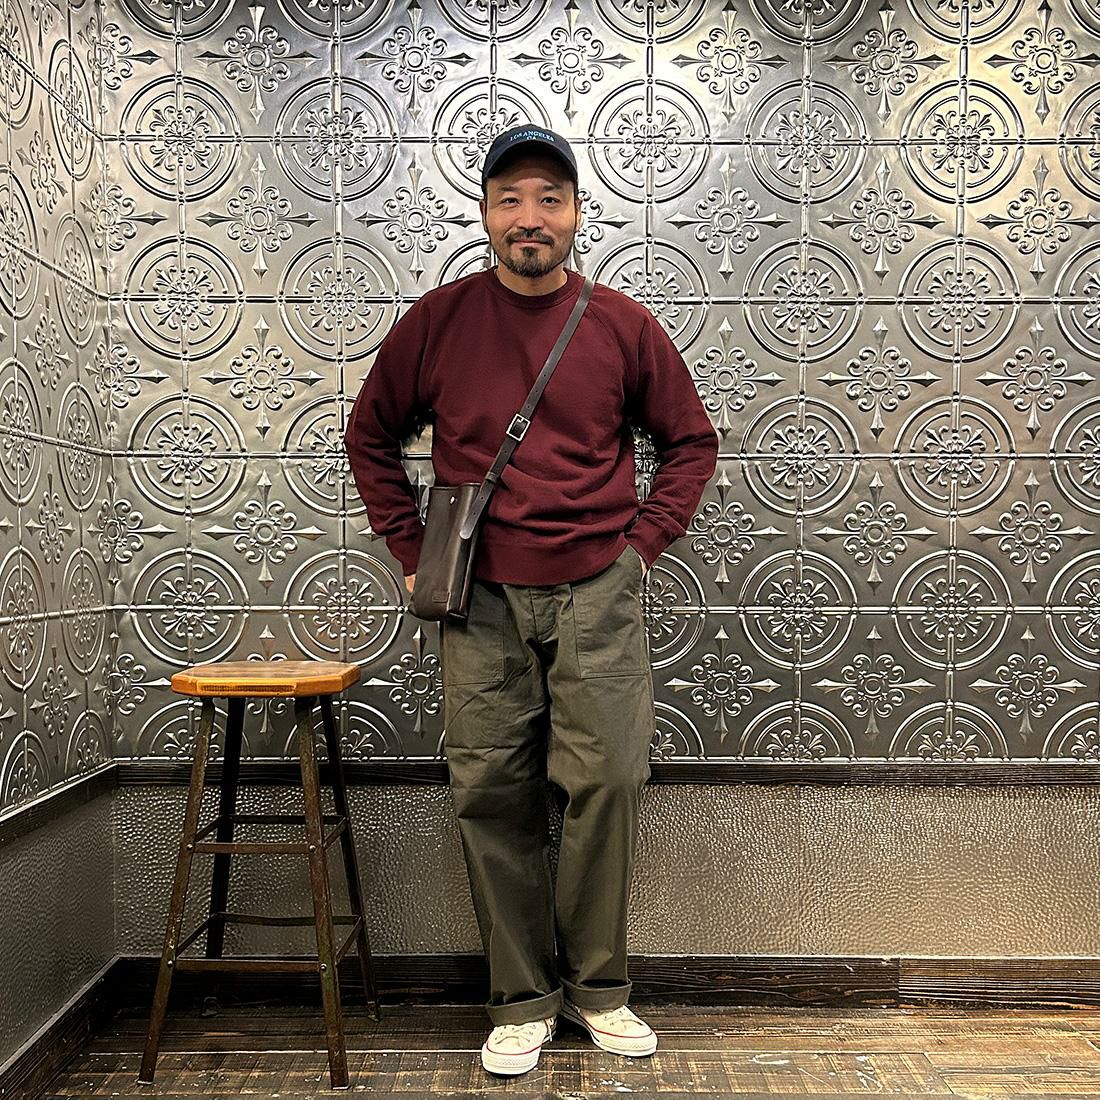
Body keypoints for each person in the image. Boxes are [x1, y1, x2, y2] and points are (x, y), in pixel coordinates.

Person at [344, 124, 718, 1076]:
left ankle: (600, 991)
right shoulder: (438, 321)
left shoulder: (622, 324)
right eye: (510, 198)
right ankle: (520, 1000)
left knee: (608, 782)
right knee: (489, 791)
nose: (529, 217)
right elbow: (369, 433)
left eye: (549, 198)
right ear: (484, 215)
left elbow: (691, 442)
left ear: (578, 214)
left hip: (599, 588)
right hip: (479, 598)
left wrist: (640, 548)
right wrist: (408, 549)